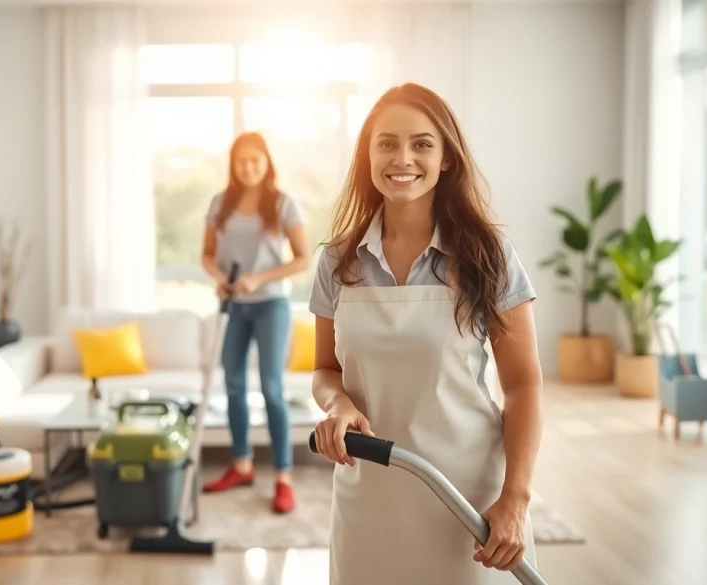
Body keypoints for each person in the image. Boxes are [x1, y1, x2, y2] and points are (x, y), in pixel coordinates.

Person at [309, 83, 544, 584]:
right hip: (368, 500)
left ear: (446, 159)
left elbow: (524, 385)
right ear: (368, 155)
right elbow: (325, 369)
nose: (403, 158)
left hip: (466, 502)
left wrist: (516, 499)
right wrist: (338, 405)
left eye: (422, 144)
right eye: (387, 143)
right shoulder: (337, 262)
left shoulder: (489, 255)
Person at [200, 132, 310, 514]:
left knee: (271, 389)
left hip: (270, 306)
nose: (248, 167)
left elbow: (303, 259)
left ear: (267, 162)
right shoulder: (220, 204)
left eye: (255, 160)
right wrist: (221, 279)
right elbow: (207, 255)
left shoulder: (283, 204)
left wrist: (258, 278)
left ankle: (283, 477)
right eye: (241, 160)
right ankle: (242, 465)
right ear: (233, 164)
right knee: (232, 385)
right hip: (234, 305)